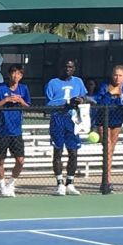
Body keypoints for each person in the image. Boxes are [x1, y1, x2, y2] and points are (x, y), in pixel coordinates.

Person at [92, 65, 123, 193]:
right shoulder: (105, 85)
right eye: (115, 75)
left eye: (120, 75)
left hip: (117, 121)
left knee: (111, 150)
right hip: (103, 120)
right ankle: (106, 181)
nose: (117, 78)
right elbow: (100, 102)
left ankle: (107, 179)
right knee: (107, 149)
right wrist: (110, 93)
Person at [46, 59, 88, 196]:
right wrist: (66, 102)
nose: (67, 69)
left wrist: (81, 100)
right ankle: (59, 183)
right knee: (58, 151)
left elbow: (84, 97)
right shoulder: (52, 83)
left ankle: (70, 182)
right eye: (65, 66)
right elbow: (48, 105)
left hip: (73, 120)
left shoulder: (78, 82)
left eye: (70, 67)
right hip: (58, 118)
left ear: (74, 69)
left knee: (73, 152)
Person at [0, 64, 30, 198]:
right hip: (2, 131)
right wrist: (5, 100)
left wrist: (20, 101)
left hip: (16, 132)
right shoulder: (0, 88)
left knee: (20, 161)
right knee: (1, 160)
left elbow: (28, 107)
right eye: (13, 73)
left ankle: (11, 184)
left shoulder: (24, 89)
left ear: (21, 76)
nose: (16, 76)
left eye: (19, 74)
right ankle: (1, 186)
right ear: (9, 75)